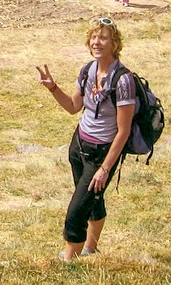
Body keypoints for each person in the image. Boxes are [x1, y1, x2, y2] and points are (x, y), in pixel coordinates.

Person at [36, 17, 136, 261]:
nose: (97, 42)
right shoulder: (88, 70)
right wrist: (52, 88)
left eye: (103, 37)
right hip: (79, 145)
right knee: (91, 199)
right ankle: (91, 248)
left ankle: (69, 262)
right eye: (93, 37)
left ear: (114, 43)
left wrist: (104, 169)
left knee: (76, 211)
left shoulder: (123, 81)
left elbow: (123, 132)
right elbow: (73, 106)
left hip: (101, 154)